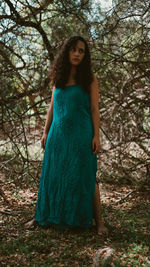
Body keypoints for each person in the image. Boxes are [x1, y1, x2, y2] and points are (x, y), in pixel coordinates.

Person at [25, 36, 108, 235]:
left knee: (86, 175)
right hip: (58, 136)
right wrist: (45, 132)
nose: (77, 54)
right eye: (73, 50)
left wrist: (96, 136)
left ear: (85, 55)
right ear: (66, 52)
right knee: (53, 175)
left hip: (81, 136)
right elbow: (52, 107)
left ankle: (99, 222)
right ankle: (42, 216)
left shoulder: (90, 79)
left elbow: (95, 109)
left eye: (81, 51)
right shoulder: (58, 78)